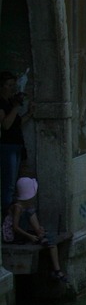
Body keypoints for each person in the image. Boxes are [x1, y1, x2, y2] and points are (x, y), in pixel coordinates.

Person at [3, 176, 68, 283]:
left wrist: (38, 230)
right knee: (31, 213)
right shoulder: (18, 207)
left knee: (50, 240)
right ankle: (57, 271)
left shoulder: (26, 207)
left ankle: (57, 270)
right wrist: (30, 236)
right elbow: (15, 227)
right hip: (13, 237)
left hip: (22, 233)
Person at [0, 71, 26, 211]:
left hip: (16, 145)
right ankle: (6, 220)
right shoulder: (2, 103)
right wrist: (16, 106)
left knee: (15, 183)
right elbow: (5, 125)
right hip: (6, 146)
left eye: (13, 85)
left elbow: (17, 123)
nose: (12, 88)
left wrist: (29, 114)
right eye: (9, 85)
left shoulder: (10, 102)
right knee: (8, 184)